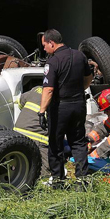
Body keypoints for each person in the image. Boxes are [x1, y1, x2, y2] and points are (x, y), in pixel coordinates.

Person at [37, 29, 92, 188]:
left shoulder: (53, 62)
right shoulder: (79, 56)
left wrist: (42, 112)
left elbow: (48, 89)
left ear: (51, 43)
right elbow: (89, 77)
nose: (44, 49)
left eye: (44, 45)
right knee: (78, 142)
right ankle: (82, 180)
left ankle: (58, 180)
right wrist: (79, 89)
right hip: (79, 105)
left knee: (55, 143)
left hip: (60, 107)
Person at [13, 85, 50, 176]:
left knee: (16, 160)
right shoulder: (60, 96)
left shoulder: (36, 89)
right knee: (45, 170)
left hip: (17, 133)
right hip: (38, 137)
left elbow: (20, 102)